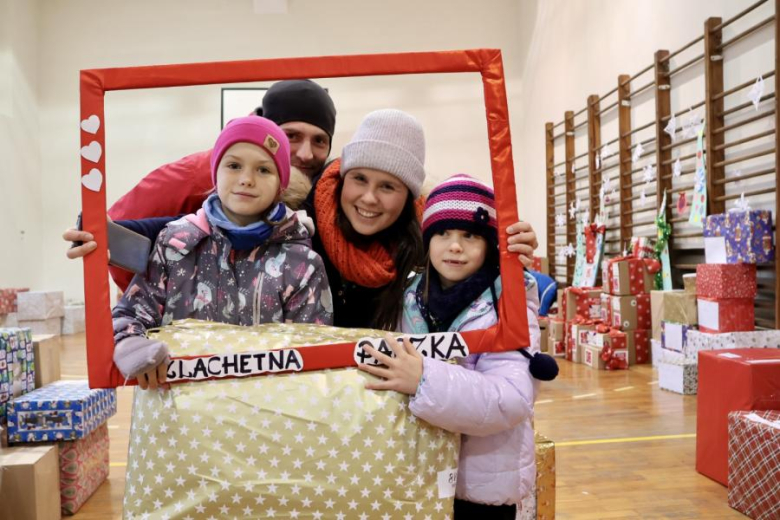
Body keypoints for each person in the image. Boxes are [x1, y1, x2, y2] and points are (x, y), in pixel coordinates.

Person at [357, 174, 552, 519]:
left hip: (479, 489)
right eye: (442, 233)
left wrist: (424, 379)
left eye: (470, 235)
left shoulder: (508, 300)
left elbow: (511, 397)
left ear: (490, 243)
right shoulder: (410, 298)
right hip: (419, 477)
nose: (455, 245)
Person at [111, 116, 333, 390]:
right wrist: (134, 347)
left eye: (264, 170)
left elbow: (312, 347)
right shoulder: (176, 244)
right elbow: (133, 311)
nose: (247, 179)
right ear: (215, 173)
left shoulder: (302, 263)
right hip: (180, 412)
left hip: (270, 416)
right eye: (234, 165)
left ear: (281, 184)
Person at [66, 79, 337, 265]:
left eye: (319, 140)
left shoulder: (321, 194)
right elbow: (159, 228)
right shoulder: (199, 175)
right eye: (291, 135)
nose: (306, 153)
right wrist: (99, 236)